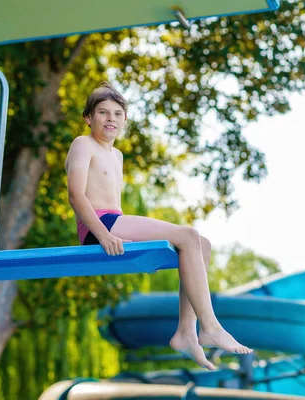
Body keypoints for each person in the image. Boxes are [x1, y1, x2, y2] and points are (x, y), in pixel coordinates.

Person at [65, 82, 252, 370]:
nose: (111, 118)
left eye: (117, 113)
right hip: (99, 227)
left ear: (125, 120)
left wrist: (130, 237)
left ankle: (187, 332)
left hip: (115, 223)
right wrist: (103, 235)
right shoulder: (83, 144)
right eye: (102, 112)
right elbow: (76, 195)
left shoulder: (117, 156)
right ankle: (211, 327)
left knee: (201, 244)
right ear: (88, 117)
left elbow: (114, 202)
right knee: (188, 235)